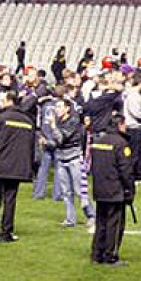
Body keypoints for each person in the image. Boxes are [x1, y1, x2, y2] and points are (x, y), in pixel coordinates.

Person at [0, 91, 35, 243]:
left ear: (8, 101)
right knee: (10, 200)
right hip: (17, 167)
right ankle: (7, 232)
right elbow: (31, 147)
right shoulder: (28, 121)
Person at [90, 114, 136, 265]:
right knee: (114, 225)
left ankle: (97, 254)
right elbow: (126, 171)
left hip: (99, 188)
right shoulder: (121, 144)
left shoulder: (98, 141)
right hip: (115, 189)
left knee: (101, 223)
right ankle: (111, 255)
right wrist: (129, 190)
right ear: (120, 125)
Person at [51, 98, 95, 230]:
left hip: (74, 158)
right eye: (56, 107)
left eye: (59, 107)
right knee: (66, 192)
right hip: (61, 158)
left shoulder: (73, 121)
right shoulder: (58, 121)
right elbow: (55, 141)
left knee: (79, 190)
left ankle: (91, 216)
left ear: (67, 108)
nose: (56, 109)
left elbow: (60, 139)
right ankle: (70, 218)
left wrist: (53, 128)